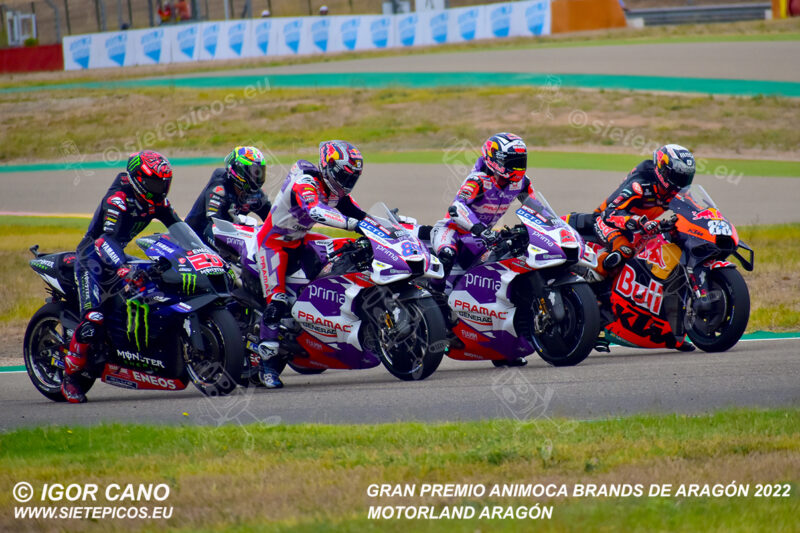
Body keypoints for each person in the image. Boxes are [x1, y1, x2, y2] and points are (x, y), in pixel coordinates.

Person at [63, 151, 180, 403]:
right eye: (155, 182)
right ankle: (70, 378)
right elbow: (106, 239)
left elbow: (180, 229)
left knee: (155, 289)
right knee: (93, 317)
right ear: (138, 179)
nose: (160, 188)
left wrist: (201, 252)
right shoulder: (118, 200)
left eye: (164, 182)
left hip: (118, 256)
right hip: (92, 259)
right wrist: (121, 266)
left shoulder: (157, 202)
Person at [254, 140, 367, 388]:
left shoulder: (336, 189)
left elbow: (360, 214)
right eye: (343, 175)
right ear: (327, 168)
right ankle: (267, 368)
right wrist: (354, 225)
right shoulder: (305, 183)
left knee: (341, 257)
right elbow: (316, 211)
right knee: (276, 303)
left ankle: (318, 328)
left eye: (352, 177)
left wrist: (387, 227)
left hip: (300, 240)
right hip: (274, 243)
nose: (347, 182)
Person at [577, 143, 696, 352]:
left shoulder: (676, 191)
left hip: (642, 228)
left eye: (685, 177)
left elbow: (692, 211)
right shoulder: (640, 184)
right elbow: (611, 212)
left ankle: (670, 333)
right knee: (623, 252)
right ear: (663, 170)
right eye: (677, 176)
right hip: (609, 222)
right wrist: (638, 222)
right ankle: (592, 301)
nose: (680, 183)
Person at [430, 133, 534, 366]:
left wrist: (549, 225)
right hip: (453, 231)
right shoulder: (478, 180)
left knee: (497, 277)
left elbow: (537, 206)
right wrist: (478, 228)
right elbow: (457, 208)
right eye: (511, 161)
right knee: (446, 254)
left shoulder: (521, 182)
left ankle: (499, 346)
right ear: (494, 160)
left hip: (480, 238)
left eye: (520, 161)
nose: (517, 167)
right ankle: (433, 300)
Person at [185, 146, 271, 245]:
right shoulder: (220, 188)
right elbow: (212, 228)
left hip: (228, 241)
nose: (256, 179)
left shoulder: (256, 194)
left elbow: (273, 220)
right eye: (251, 173)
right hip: (195, 241)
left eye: (259, 173)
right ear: (237, 171)